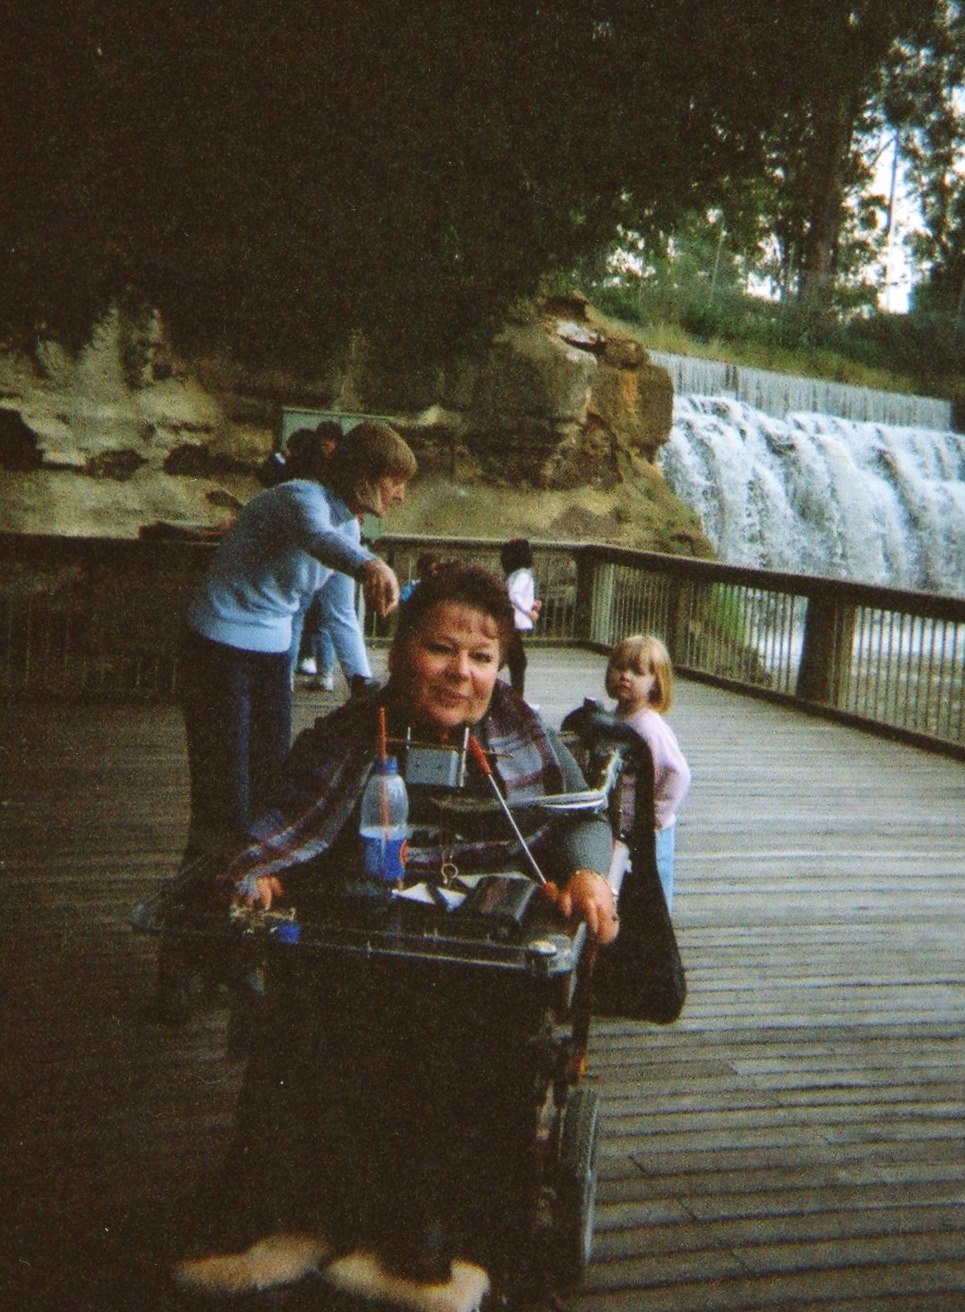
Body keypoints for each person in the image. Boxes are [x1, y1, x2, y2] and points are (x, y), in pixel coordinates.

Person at [174, 561, 619, 1310]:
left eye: (481, 657)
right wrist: (262, 871)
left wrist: (584, 873)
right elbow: (282, 823)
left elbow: (581, 815)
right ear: (401, 650)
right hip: (366, 928)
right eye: (440, 649)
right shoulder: (346, 733)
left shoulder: (525, 735)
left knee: (467, 1032)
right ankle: (293, 1223)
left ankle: (432, 1252)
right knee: (306, 1015)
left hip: (481, 938)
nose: (460, 673)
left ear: (500, 666)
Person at [178, 420, 415, 865]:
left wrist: (363, 682)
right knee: (223, 793)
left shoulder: (348, 528)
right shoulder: (300, 497)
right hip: (217, 647)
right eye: (395, 481)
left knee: (271, 784)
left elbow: (340, 613)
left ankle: (251, 879)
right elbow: (315, 537)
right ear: (364, 475)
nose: (401, 494)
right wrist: (371, 565)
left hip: (272, 656)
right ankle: (199, 889)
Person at [605, 633, 691, 911]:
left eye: (637, 672)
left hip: (651, 830)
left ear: (656, 683)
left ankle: (658, 927)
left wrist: (654, 817)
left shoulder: (650, 727)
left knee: (654, 885)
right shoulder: (614, 718)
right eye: (619, 667)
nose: (625, 676)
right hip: (623, 825)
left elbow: (677, 773)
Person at [500, 537, 541, 700]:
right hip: (514, 622)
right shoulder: (524, 575)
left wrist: (532, 604)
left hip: (510, 621)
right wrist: (528, 611)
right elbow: (514, 595)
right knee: (519, 662)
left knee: (516, 660)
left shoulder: (513, 575)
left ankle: (516, 697)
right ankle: (517, 699)